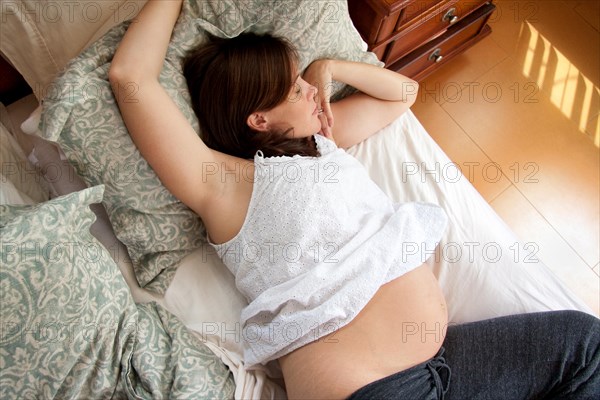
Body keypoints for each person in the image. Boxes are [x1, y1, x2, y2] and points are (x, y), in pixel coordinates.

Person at [109, 1, 600, 399]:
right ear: (258, 119)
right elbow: (130, 78)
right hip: (374, 389)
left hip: (443, 367)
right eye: (295, 87)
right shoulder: (222, 183)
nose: (310, 92)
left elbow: (403, 94)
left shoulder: (325, 141)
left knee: (586, 345)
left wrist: (329, 68)